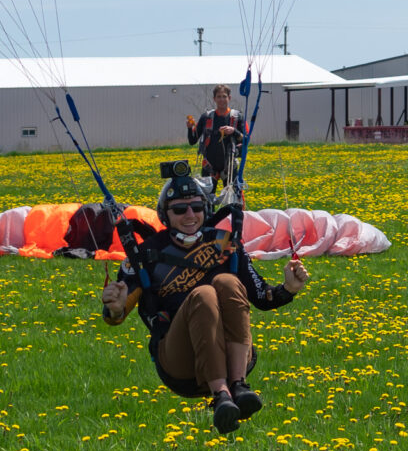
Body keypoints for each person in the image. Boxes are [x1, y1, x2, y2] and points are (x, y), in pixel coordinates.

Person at [101, 164, 308, 434]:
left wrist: (288, 289)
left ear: (206, 209)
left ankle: (239, 386)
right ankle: (221, 395)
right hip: (179, 362)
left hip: (231, 355)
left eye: (197, 207)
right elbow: (117, 314)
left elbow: (262, 297)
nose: (190, 215)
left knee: (227, 281)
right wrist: (115, 309)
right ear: (166, 213)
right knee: (204, 294)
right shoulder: (147, 253)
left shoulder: (224, 244)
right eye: (179, 209)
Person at [187, 84, 246, 188]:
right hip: (209, 166)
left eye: (224, 96)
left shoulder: (237, 117)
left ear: (229, 98)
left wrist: (234, 131)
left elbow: (246, 139)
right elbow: (192, 141)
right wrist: (189, 128)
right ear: (214, 99)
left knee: (232, 200)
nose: (221, 99)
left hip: (230, 166)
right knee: (207, 200)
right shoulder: (206, 117)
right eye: (219, 97)